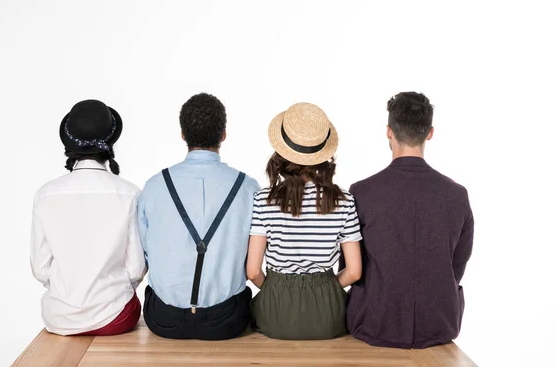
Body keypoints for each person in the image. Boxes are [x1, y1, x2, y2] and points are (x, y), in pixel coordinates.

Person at [344, 92, 474, 349]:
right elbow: (456, 266)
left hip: (373, 322)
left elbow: (349, 264)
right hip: (439, 323)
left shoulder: (361, 192)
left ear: (388, 132)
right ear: (430, 133)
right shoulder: (457, 195)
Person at [139, 93, 260, 340]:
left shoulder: (154, 186)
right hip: (227, 322)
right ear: (223, 135)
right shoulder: (248, 187)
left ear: (183, 135)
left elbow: (146, 255)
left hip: (163, 320)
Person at [247, 102, 363, 340]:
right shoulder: (344, 201)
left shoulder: (263, 200)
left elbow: (252, 271)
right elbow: (354, 272)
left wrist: (275, 289)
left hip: (275, 312)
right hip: (327, 315)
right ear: (323, 155)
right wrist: (326, 288)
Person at [30, 99, 145, 336]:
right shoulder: (130, 193)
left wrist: (70, 291)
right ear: (111, 142)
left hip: (59, 318)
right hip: (115, 317)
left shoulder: (45, 194)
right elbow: (135, 268)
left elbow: (40, 268)